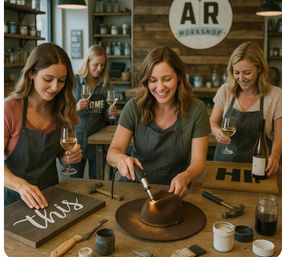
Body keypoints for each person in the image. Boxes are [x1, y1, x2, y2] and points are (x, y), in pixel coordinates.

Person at [106, 46, 211, 197]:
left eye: (167, 79)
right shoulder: (134, 107)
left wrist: (186, 176)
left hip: (173, 190)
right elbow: (112, 152)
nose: (160, 87)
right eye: (153, 80)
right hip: (135, 189)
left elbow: (199, 162)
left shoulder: (197, 110)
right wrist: (121, 159)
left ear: (179, 76)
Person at [4, 43, 83, 209]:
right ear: (32, 73)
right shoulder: (9, 109)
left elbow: (61, 155)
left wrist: (68, 157)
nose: (55, 87)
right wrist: (20, 186)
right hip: (13, 200)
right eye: (48, 79)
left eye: (61, 81)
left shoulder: (65, 107)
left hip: (51, 196)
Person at [210, 41, 282, 175]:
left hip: (259, 165)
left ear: (260, 68)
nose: (241, 78)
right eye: (236, 72)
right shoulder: (225, 91)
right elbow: (213, 121)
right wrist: (216, 131)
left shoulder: (276, 95)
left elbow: (279, 136)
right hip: (224, 164)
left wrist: (275, 156)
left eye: (247, 72)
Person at [72, 44, 118, 179]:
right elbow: (62, 110)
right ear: (87, 62)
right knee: (75, 182)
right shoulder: (74, 82)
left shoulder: (106, 84)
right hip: (77, 139)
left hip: (97, 140)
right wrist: (76, 108)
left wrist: (110, 113)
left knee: (97, 180)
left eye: (102, 65)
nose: (99, 69)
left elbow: (106, 116)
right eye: (96, 64)